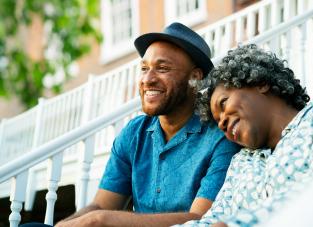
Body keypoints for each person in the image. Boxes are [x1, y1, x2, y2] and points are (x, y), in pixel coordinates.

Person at [47, 23, 239, 227]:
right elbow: (100, 205)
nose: (147, 79)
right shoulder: (133, 133)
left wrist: (100, 220)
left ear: (195, 77)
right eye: (144, 68)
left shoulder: (220, 137)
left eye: (162, 68)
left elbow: (200, 220)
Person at [179, 44, 313, 226]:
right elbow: (212, 220)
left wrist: (239, 224)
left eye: (223, 104)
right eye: (218, 122)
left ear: (260, 83)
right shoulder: (241, 163)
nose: (222, 123)